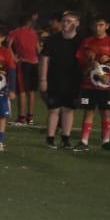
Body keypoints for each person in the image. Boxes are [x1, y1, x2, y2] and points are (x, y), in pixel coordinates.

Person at [74, 16, 110, 152]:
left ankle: (106, 141)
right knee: (88, 111)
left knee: (106, 113)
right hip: (88, 85)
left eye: (101, 25)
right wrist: (89, 62)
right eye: (95, 25)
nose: (98, 28)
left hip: (106, 85)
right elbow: (80, 61)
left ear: (107, 26)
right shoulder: (87, 42)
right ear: (91, 26)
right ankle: (84, 141)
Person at [40, 12, 82, 149]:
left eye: (70, 21)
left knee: (69, 109)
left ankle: (65, 138)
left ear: (77, 23)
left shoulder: (81, 41)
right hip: (54, 79)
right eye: (64, 21)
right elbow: (45, 59)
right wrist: (43, 79)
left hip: (73, 80)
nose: (66, 24)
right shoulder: (54, 39)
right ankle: (50, 138)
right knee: (54, 109)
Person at [7, 13, 41, 126]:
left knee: (22, 91)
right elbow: (38, 48)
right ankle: (30, 117)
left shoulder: (15, 32)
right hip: (35, 63)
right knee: (32, 91)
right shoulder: (34, 33)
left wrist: (14, 58)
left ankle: (22, 118)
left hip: (24, 63)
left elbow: (8, 46)